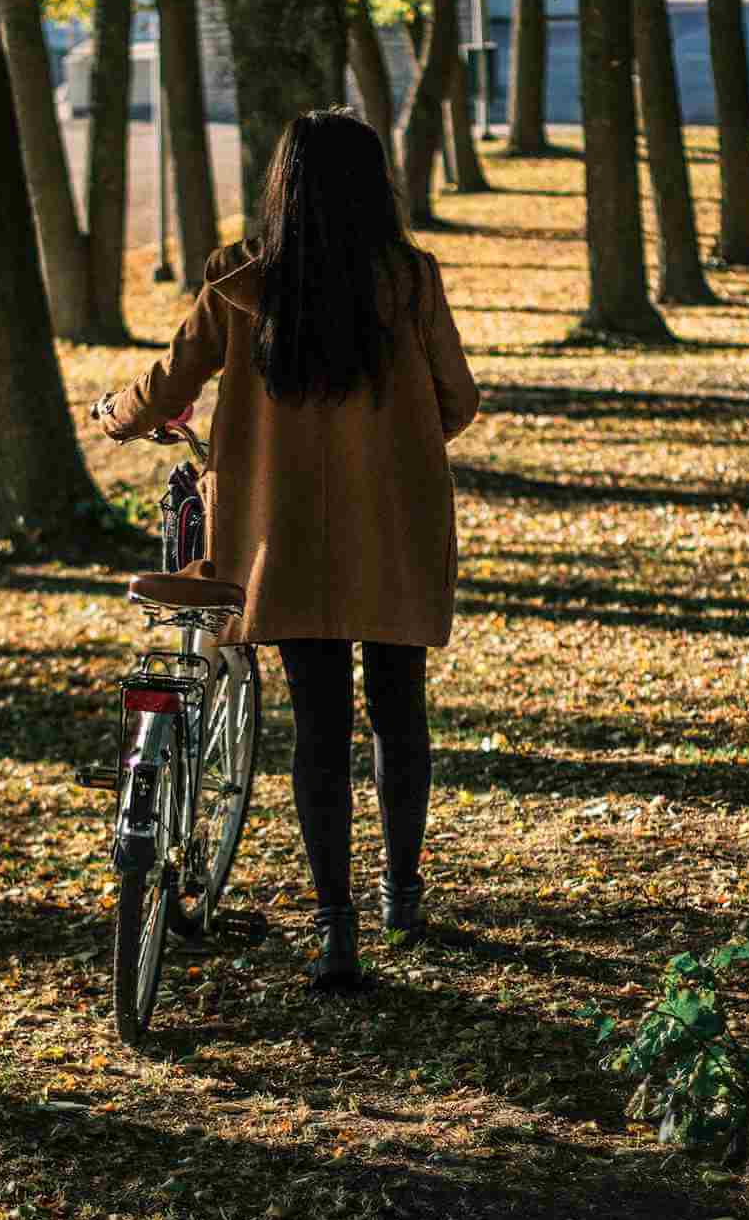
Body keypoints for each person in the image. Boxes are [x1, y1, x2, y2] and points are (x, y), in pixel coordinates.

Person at [92, 107, 478, 990]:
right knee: (398, 711)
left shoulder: (240, 281)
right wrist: (399, 439)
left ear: (284, 183)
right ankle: (403, 896)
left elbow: (169, 381)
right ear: (375, 183)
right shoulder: (410, 280)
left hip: (283, 536)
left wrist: (116, 414)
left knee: (317, 727)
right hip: (395, 524)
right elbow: (455, 397)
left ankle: (334, 926)